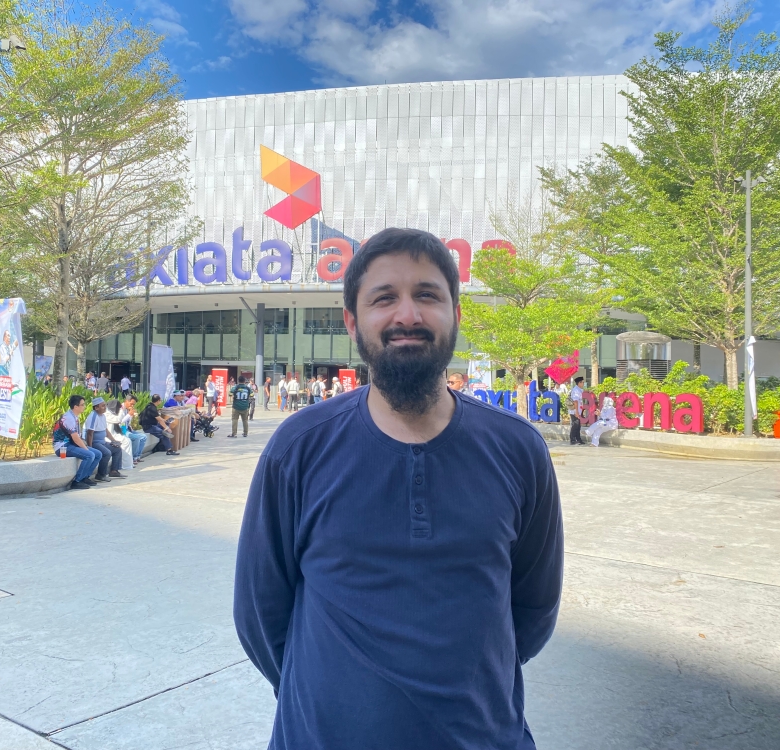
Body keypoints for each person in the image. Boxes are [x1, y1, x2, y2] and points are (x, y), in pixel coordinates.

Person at [235, 228, 562, 750]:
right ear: (352, 321)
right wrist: (327, 697)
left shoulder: (518, 450)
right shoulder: (298, 448)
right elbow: (259, 614)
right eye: (384, 297)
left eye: (427, 295)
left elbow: (534, 609)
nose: (407, 314)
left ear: (457, 313)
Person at [54, 395, 102, 490]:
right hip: (62, 447)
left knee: (98, 454)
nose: (84, 406)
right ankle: (77, 481)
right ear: (76, 407)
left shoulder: (74, 416)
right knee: (90, 455)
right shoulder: (69, 418)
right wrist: (86, 449)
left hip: (71, 444)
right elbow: (75, 438)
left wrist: (85, 448)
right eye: (82, 405)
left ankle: (85, 477)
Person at [84, 398, 125, 481]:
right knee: (107, 453)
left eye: (105, 405)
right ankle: (101, 474)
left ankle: (114, 471)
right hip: (95, 442)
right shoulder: (93, 416)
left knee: (117, 449)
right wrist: (90, 448)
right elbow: (89, 434)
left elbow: (106, 431)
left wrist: (114, 441)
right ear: (96, 408)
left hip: (102, 442)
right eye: (103, 406)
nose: (105, 407)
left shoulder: (102, 416)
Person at [106, 399, 139, 468]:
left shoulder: (111, 413)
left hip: (114, 434)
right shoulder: (107, 413)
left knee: (127, 440)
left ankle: (128, 464)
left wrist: (130, 415)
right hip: (107, 436)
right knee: (125, 441)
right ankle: (124, 465)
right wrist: (122, 410)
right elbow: (118, 420)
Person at [569, 376, 586, 446]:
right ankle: (572, 439)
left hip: (578, 410)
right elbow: (575, 401)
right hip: (574, 411)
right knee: (575, 425)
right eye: (582, 382)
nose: (583, 384)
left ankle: (578, 439)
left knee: (578, 425)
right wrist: (576, 411)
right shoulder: (575, 390)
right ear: (579, 383)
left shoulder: (579, 389)